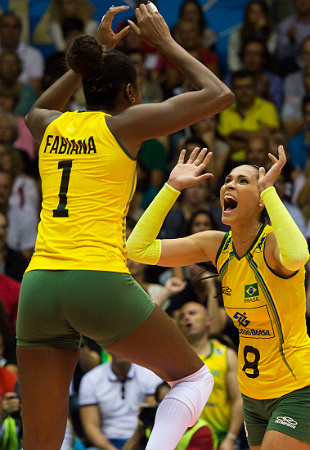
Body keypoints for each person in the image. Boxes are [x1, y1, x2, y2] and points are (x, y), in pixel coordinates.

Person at [17, 5, 234, 450]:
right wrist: (165, 41)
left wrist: (86, 59)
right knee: (193, 378)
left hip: (38, 285)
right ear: (132, 92)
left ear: (86, 83)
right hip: (96, 278)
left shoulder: (50, 123)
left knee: (39, 442)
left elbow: (36, 107)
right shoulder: (125, 125)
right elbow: (218, 93)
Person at [127, 144, 310, 450]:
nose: (229, 185)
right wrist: (172, 187)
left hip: (296, 391)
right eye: (228, 180)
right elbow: (139, 249)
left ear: (261, 199)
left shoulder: (273, 245)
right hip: (253, 396)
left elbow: (299, 255)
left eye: (243, 181)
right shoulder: (216, 245)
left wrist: (270, 191)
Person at [176, 301, 243, 450]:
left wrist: (231, 438)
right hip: (185, 439)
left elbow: (239, 399)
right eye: (182, 316)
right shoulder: (175, 357)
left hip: (221, 437)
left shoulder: (226, 355)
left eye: (192, 313)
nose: (186, 317)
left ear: (208, 321)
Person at [79, 354, 161, 450]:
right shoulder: (90, 379)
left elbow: (149, 420)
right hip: (107, 443)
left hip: (141, 439)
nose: (121, 350)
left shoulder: (150, 375)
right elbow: (91, 426)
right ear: (106, 348)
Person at [0, 12, 44, 97]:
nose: (10, 31)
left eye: (14, 27)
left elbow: (34, 92)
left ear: (20, 30)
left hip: (24, 104)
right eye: (6, 26)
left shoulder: (34, 55)